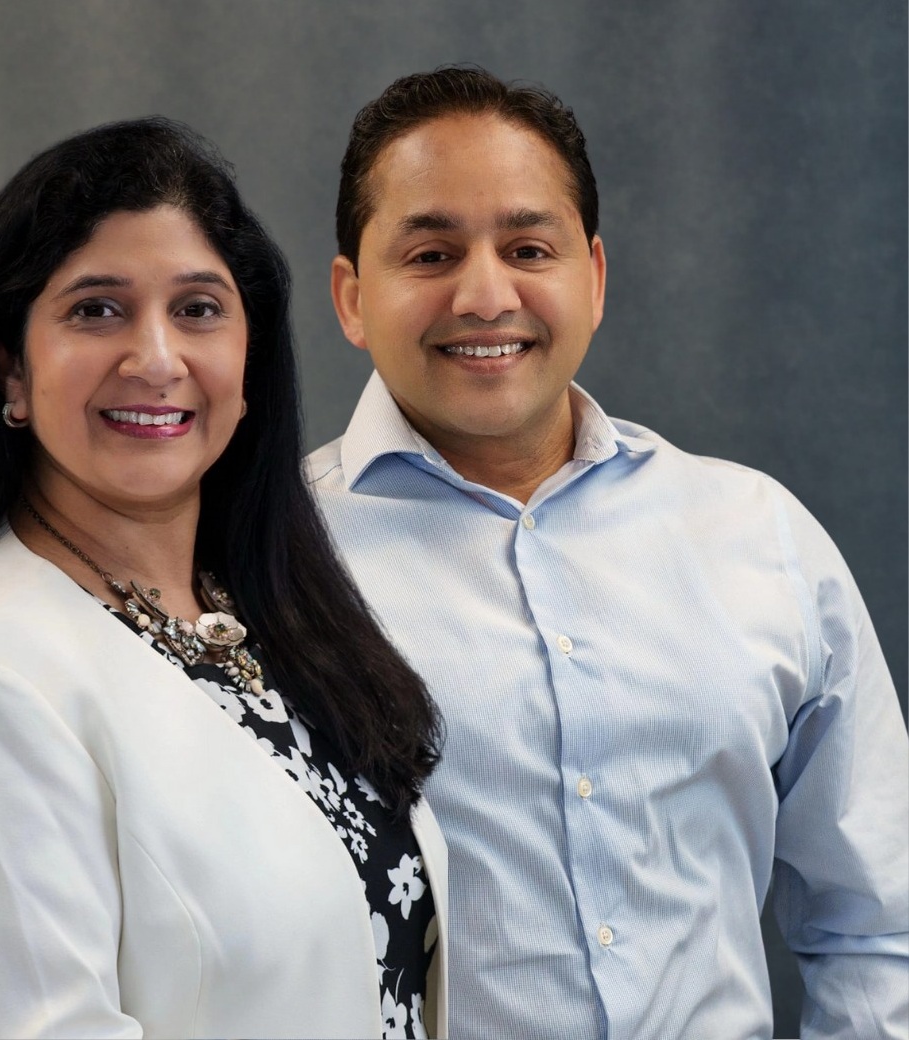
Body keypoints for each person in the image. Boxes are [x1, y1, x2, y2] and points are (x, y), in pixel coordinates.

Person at [306, 66, 909, 1040]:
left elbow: (879, 917)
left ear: (592, 275)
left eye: (526, 246)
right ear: (350, 295)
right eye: (428, 252)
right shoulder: (265, 568)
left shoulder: (758, 535)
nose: (484, 292)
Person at [0, 116, 447, 1040]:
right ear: (12, 368)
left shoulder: (277, 616)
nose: (157, 360)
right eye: (96, 309)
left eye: (198, 309)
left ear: (248, 361)